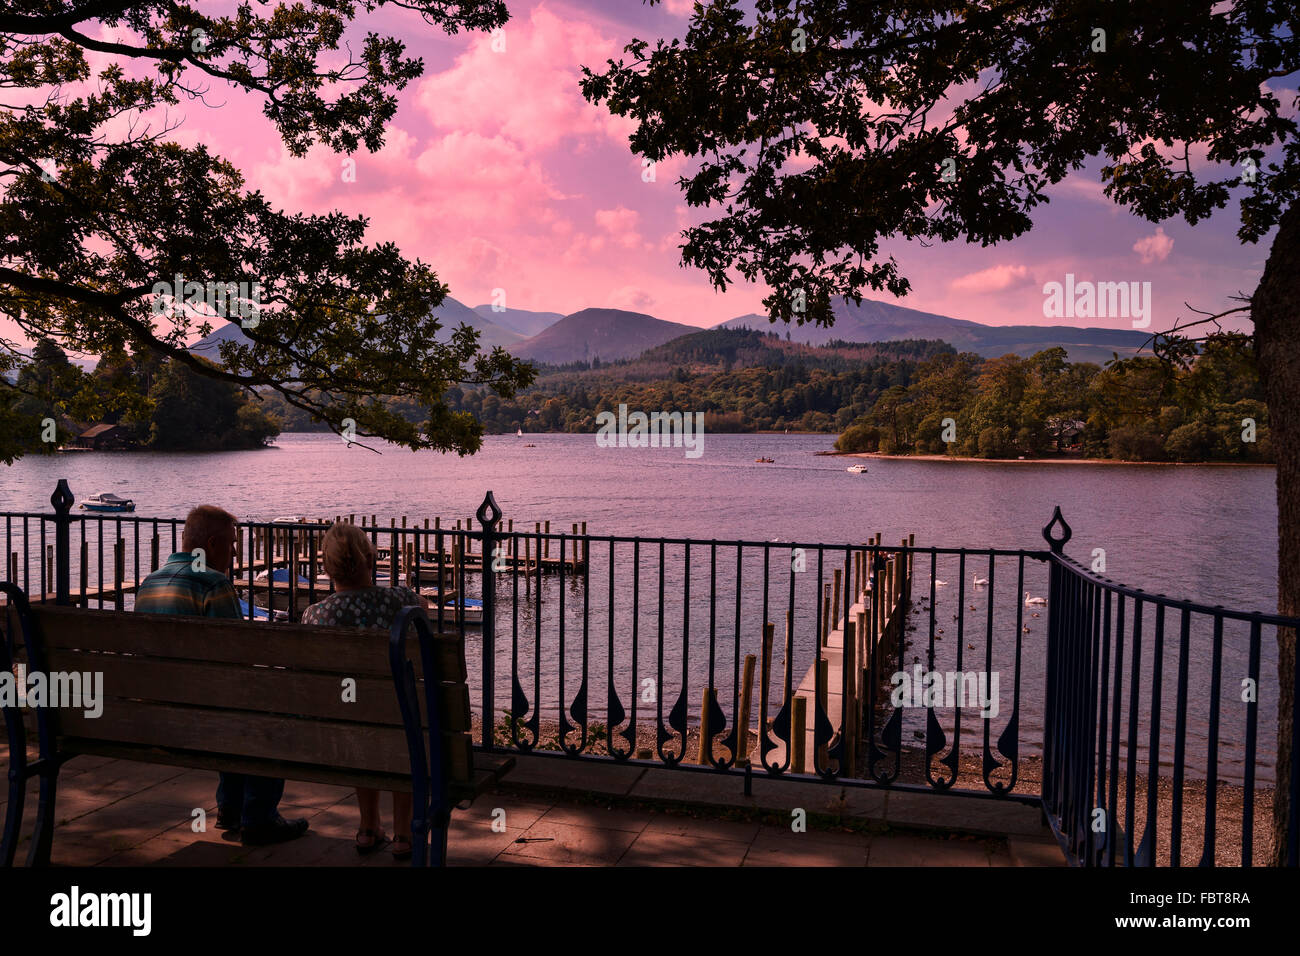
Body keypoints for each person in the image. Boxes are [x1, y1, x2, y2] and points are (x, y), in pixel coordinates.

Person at [134, 505, 310, 847]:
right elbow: (237, 661)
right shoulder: (213, 583)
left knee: (230, 708)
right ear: (211, 544)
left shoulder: (149, 582)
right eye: (231, 544)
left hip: (151, 714)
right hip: (199, 719)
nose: (234, 552)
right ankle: (258, 817)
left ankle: (230, 809)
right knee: (270, 715)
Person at [301, 521, 427, 859]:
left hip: (346, 724)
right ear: (371, 559)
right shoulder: (403, 600)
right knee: (399, 724)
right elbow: (426, 623)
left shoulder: (316, 616)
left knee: (358, 717)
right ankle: (404, 833)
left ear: (326, 567)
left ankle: (368, 827)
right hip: (402, 718)